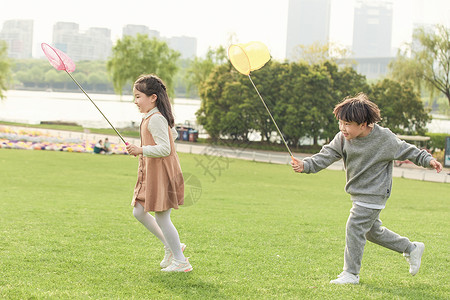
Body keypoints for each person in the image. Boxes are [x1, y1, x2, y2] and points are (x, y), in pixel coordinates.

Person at [291, 93, 442, 284]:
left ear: (363, 124)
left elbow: (408, 150)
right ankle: (411, 248)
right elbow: (327, 154)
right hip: (358, 192)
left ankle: (351, 273)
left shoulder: (384, 138)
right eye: (340, 123)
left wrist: (428, 160)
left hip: (375, 193)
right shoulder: (343, 138)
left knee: (354, 226)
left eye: (347, 124)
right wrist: (306, 165)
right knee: (372, 232)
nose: (342, 128)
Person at [126, 74, 192, 272]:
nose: (136, 101)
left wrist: (141, 149)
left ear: (152, 97)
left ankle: (181, 261)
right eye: (135, 97)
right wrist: (142, 149)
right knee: (139, 211)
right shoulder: (153, 117)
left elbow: (166, 149)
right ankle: (173, 247)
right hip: (154, 173)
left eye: (139, 96)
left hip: (162, 174)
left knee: (162, 218)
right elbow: (172, 135)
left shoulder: (155, 119)